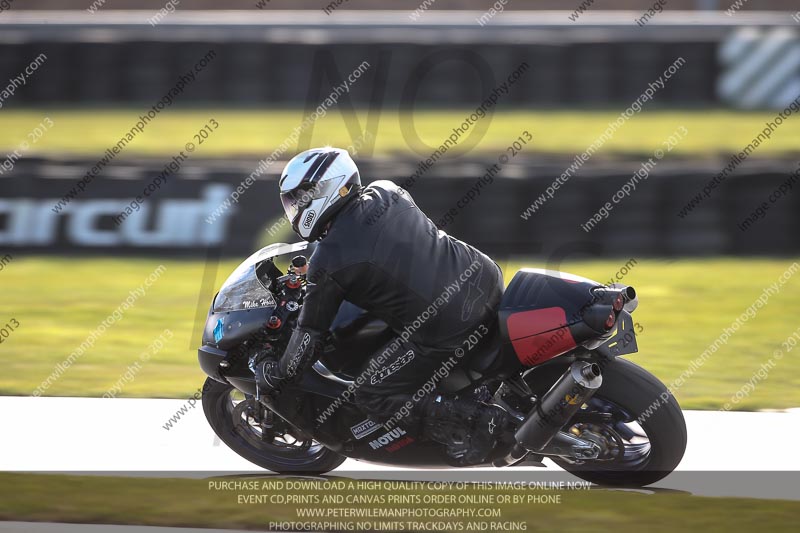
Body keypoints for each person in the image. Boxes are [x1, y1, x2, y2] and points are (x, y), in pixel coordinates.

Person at [255, 147, 510, 465]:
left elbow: (310, 335)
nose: (295, 209)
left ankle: (478, 421)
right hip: (484, 277)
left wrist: (276, 374)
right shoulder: (388, 191)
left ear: (326, 189)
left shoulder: (329, 259)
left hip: (450, 324)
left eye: (299, 199)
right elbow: (388, 248)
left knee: (371, 393)